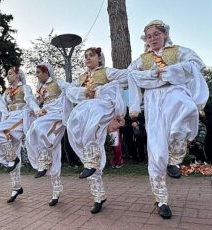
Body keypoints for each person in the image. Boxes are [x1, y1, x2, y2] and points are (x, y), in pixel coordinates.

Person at [127, 20, 209, 219]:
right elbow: (129, 75)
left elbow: (198, 64)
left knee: (185, 109)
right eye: (148, 36)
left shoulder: (178, 51)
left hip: (174, 92)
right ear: (145, 40)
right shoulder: (142, 59)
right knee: (156, 151)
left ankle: (175, 159)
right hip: (154, 102)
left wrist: (174, 71)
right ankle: (161, 200)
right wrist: (135, 105)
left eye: (156, 34)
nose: (152, 38)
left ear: (164, 34)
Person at [66, 47, 127, 214]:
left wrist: (101, 92)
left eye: (91, 55)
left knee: (89, 140)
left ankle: (92, 164)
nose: (87, 59)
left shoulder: (106, 72)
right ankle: (98, 196)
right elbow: (69, 90)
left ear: (100, 58)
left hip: (102, 111)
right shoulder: (81, 77)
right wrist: (83, 91)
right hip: (88, 115)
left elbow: (124, 78)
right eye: (85, 56)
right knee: (87, 146)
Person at [0, 66, 39, 203]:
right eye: (7, 74)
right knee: (13, 151)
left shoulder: (25, 87)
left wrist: (37, 110)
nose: (7, 76)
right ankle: (16, 187)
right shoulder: (6, 91)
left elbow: (29, 100)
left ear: (17, 75)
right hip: (10, 117)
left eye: (10, 74)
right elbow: (2, 106)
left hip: (20, 117)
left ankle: (12, 158)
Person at [25, 62, 71, 206]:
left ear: (46, 72)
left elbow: (69, 91)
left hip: (56, 116)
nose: (37, 75)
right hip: (46, 118)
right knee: (54, 154)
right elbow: (37, 103)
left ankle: (43, 161)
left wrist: (52, 107)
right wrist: (34, 104)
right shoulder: (40, 88)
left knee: (37, 126)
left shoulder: (58, 82)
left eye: (38, 72)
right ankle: (56, 192)